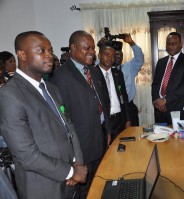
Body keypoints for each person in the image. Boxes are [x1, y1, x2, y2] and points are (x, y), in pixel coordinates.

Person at [0, 31, 87, 199]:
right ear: (22, 54)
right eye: (41, 50)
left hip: (70, 181)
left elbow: (69, 128)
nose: (49, 55)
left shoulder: (52, 88)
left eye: (50, 50)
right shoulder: (9, 95)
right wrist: (70, 172)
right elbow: (26, 155)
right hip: (43, 187)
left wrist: (78, 163)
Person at [51, 30, 111, 198]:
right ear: (73, 48)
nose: (92, 51)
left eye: (93, 48)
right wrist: (74, 155)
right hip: (81, 147)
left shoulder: (94, 71)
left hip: (99, 137)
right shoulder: (61, 76)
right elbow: (63, 119)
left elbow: (104, 102)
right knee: (84, 191)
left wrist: (107, 129)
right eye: (87, 48)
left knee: (99, 183)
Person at [152, 32, 184, 124]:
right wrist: (157, 101)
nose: (170, 46)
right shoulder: (161, 62)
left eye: (173, 44)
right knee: (161, 136)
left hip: (177, 108)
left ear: (181, 44)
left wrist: (165, 100)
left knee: (177, 137)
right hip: (160, 110)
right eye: (168, 44)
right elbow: (155, 83)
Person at [96, 45, 131, 143]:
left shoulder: (118, 73)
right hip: (102, 121)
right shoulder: (93, 74)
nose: (110, 58)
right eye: (106, 54)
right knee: (105, 152)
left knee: (120, 149)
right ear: (99, 55)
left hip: (119, 119)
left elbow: (124, 97)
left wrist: (128, 119)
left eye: (113, 56)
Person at [112, 34, 144, 126]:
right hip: (113, 110)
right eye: (115, 54)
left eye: (120, 55)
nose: (118, 57)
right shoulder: (104, 70)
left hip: (128, 107)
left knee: (133, 136)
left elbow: (139, 58)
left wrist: (131, 43)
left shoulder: (129, 67)